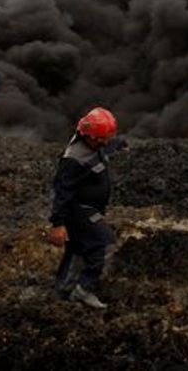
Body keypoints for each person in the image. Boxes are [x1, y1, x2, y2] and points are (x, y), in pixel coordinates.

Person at [47, 106, 126, 309]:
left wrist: (117, 144)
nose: (104, 143)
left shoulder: (92, 144)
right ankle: (84, 289)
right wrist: (57, 224)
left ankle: (65, 289)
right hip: (80, 211)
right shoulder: (73, 159)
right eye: (101, 139)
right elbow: (61, 192)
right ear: (88, 135)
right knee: (102, 242)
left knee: (78, 248)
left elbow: (102, 146)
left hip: (89, 208)